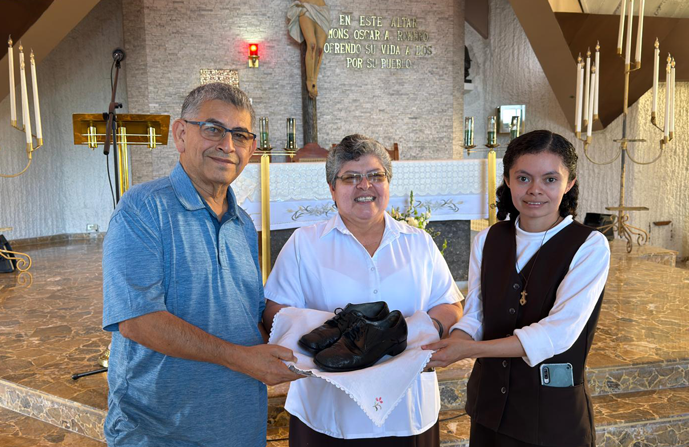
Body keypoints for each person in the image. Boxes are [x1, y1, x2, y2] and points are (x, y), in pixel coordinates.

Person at [102, 82, 302, 446]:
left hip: (239, 425)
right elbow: (137, 321)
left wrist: (309, 340)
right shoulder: (143, 209)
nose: (227, 145)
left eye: (240, 135)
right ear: (180, 134)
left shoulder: (242, 223)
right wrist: (240, 358)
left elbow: (249, 316)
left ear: (251, 148)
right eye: (213, 129)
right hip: (161, 431)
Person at [263, 134, 464, 446]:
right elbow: (275, 311)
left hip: (407, 413)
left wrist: (422, 334)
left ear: (388, 183)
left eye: (375, 176)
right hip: (328, 412)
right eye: (350, 178)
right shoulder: (305, 243)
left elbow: (449, 304)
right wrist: (337, 334)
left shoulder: (418, 243)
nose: (364, 186)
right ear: (332, 188)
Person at [423, 130, 610, 446]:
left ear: (570, 183)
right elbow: (476, 316)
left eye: (550, 179)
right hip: (490, 409)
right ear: (508, 180)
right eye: (523, 178)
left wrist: (469, 350)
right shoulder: (487, 240)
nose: (535, 190)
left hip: (551, 416)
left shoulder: (589, 246)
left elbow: (558, 333)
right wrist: (452, 342)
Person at [287, 0, 330, 98]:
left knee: (320, 49)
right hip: (306, 8)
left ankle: (314, 80)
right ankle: (310, 80)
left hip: (322, 10)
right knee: (312, 44)